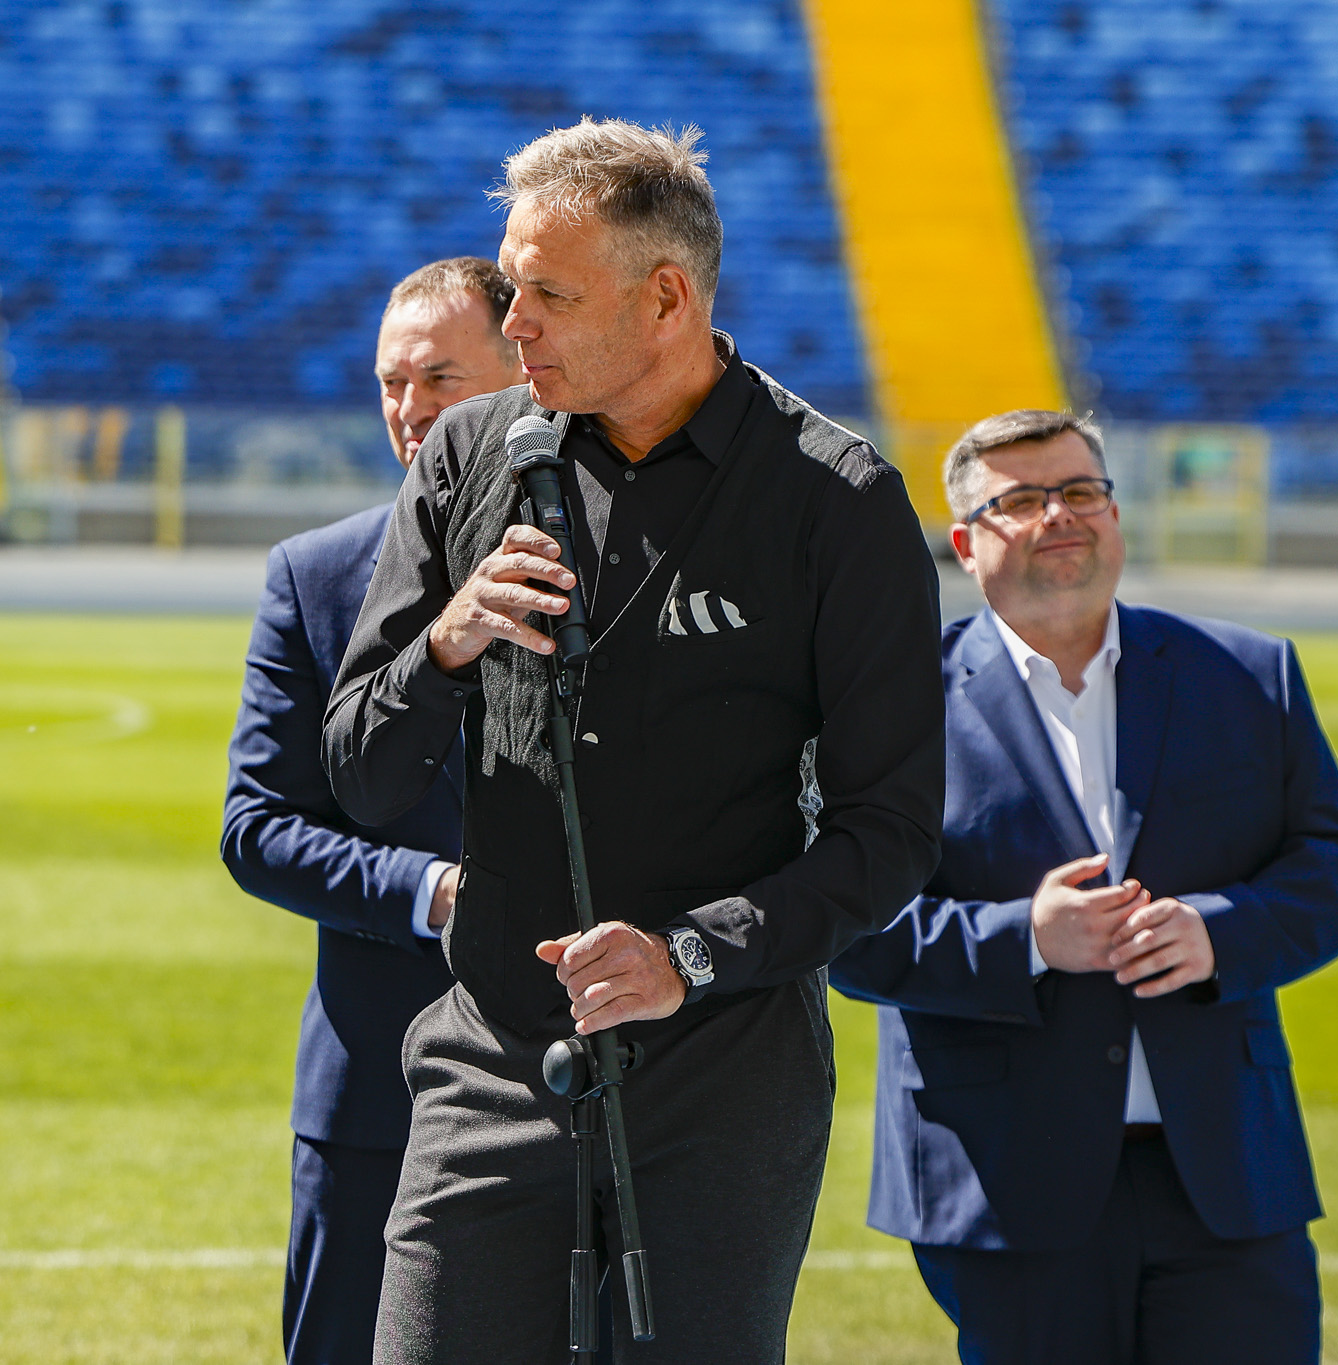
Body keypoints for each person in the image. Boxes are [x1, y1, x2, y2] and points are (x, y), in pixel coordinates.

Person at [322, 118, 946, 1365]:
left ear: (666, 297)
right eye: (514, 289)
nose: (514, 328)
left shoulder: (838, 496)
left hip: (725, 1074)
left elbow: (889, 834)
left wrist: (689, 957)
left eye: (549, 295)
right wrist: (445, 644)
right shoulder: (463, 458)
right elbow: (355, 764)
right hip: (491, 1054)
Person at [830, 409, 1338, 1365]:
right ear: (965, 542)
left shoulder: (1251, 675)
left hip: (1225, 1173)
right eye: (1022, 500)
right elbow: (843, 926)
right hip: (1007, 1179)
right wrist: (1027, 939)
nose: (1061, 515)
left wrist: (1226, 930)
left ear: (1115, 513)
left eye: (1082, 491)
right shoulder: (892, 698)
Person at [223, 256, 525, 1364]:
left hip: (587, 1077)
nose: (408, 410)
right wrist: (430, 893)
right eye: (389, 383)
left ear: (525, 366)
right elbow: (256, 828)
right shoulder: (316, 575)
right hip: (376, 1087)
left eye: (438, 377)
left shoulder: (626, 558)